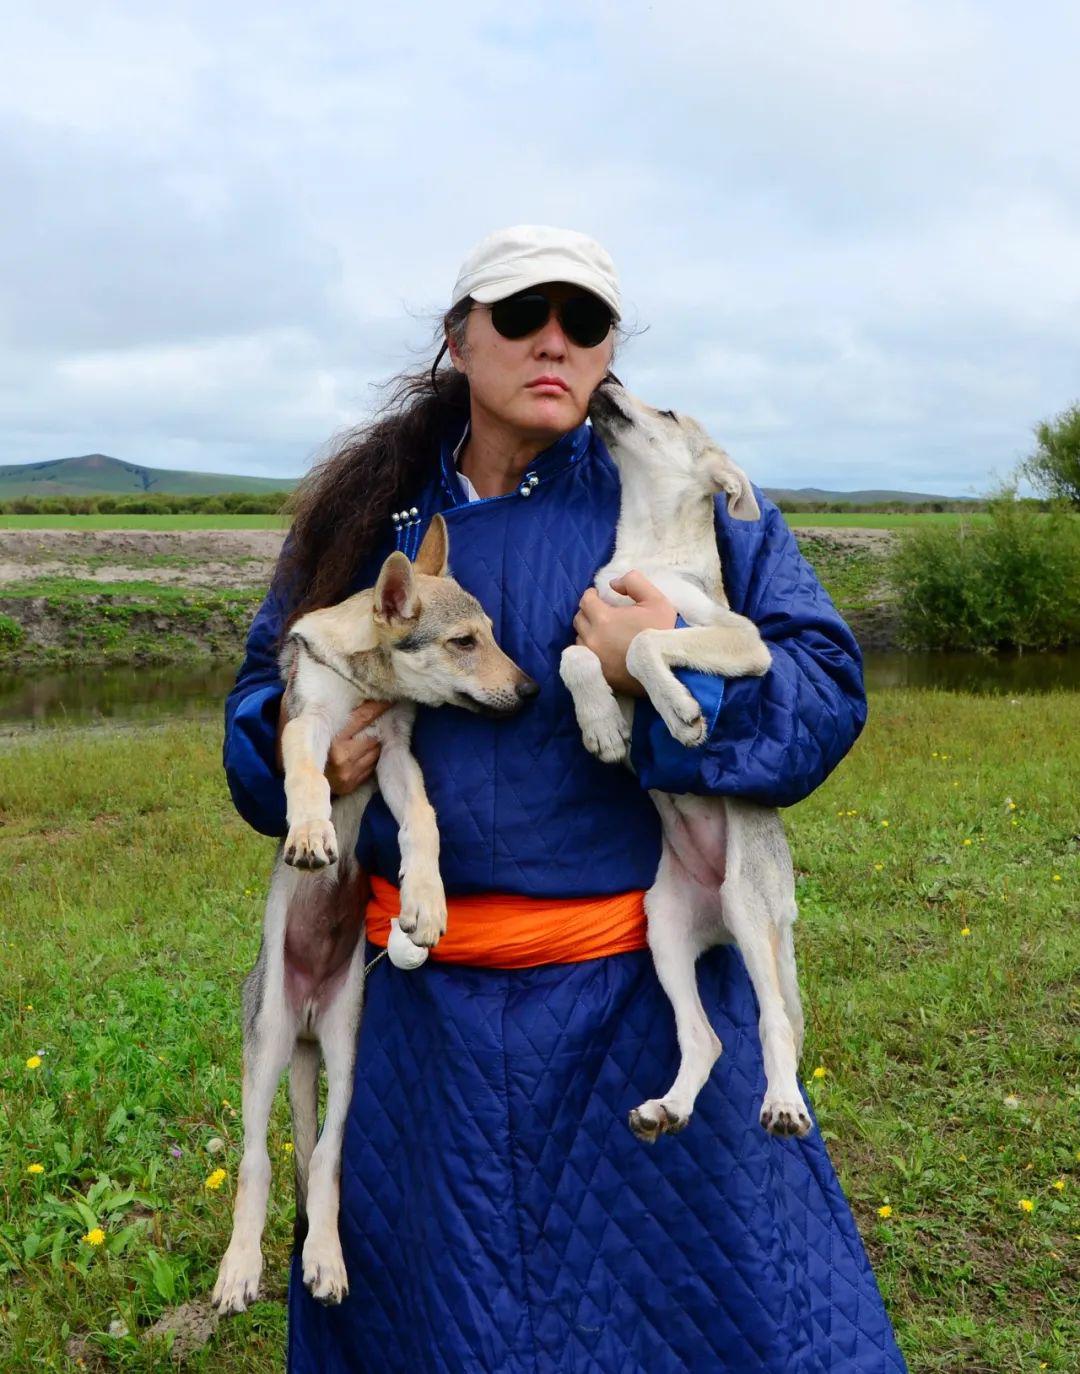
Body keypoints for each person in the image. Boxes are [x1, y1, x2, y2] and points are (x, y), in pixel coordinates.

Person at [224, 225, 908, 1373]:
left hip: (630, 997)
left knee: (697, 1328)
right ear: (458, 339)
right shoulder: (365, 515)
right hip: (417, 1013)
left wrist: (669, 658)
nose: (555, 340)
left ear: (606, 355)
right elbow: (266, 695)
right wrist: (295, 759)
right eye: (522, 314)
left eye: (585, 322)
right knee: (423, 1328)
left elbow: (825, 694)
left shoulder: (679, 498)